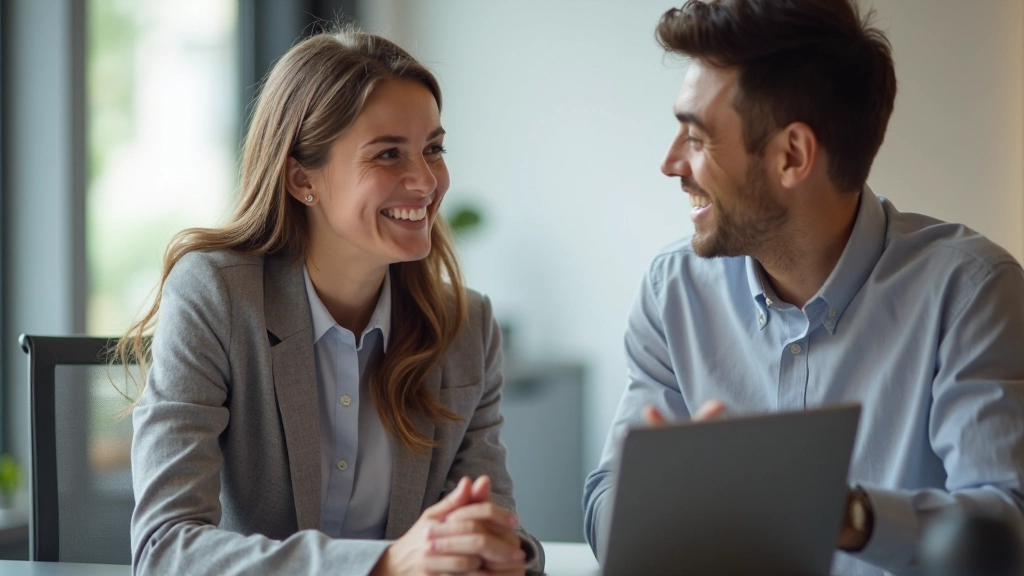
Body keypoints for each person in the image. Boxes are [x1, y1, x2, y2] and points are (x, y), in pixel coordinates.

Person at [582, 1, 1024, 575]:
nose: (670, 163)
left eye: (696, 137)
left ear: (792, 155)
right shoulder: (674, 290)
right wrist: (660, 500)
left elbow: (1006, 527)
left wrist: (848, 515)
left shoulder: (971, 293)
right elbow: (605, 494)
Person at [123, 29, 542, 576]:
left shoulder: (464, 327)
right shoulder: (218, 298)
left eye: (433, 150)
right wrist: (385, 563)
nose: (425, 181)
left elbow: (496, 526)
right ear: (302, 178)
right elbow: (165, 549)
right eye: (388, 154)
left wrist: (496, 548)